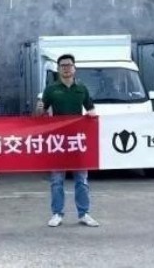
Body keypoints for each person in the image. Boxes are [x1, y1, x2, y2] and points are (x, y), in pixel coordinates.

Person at [35, 54, 100, 228]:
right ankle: (57, 213)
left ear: (74, 68)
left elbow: (91, 111)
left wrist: (94, 123)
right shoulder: (51, 90)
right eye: (63, 65)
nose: (66, 68)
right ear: (58, 69)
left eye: (69, 65)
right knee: (57, 180)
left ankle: (84, 213)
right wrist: (39, 109)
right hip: (58, 140)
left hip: (77, 140)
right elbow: (38, 116)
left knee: (82, 179)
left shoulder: (82, 89)